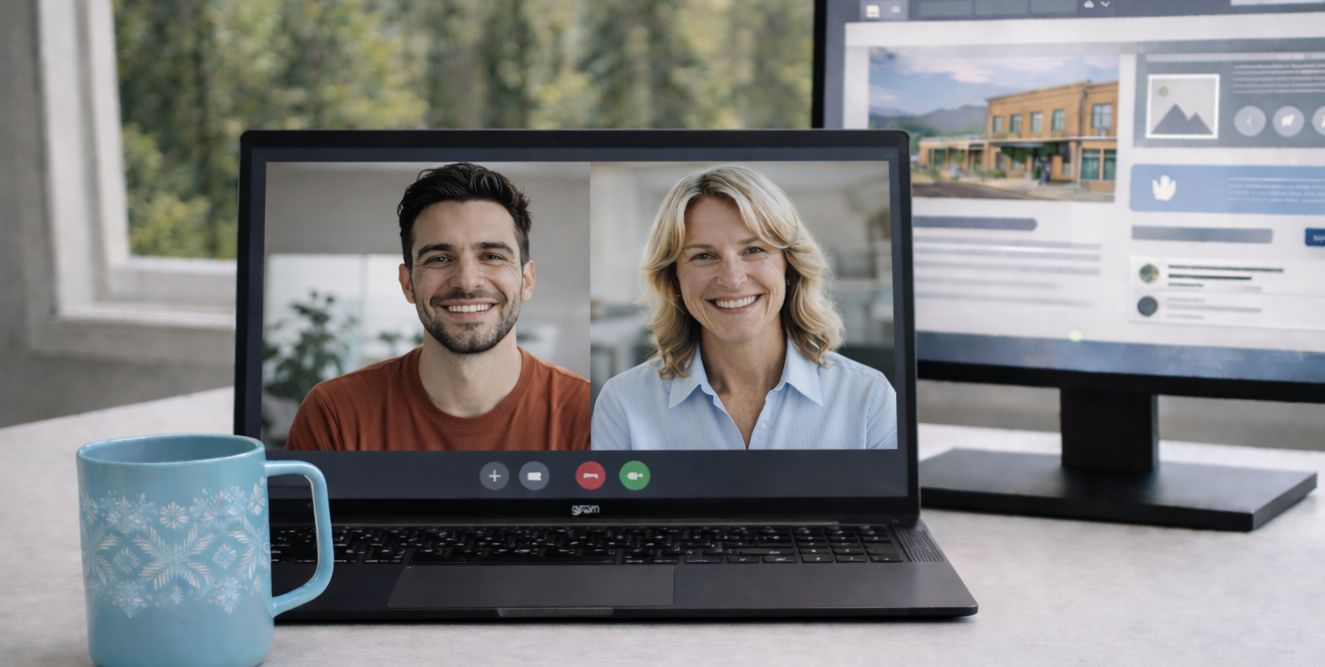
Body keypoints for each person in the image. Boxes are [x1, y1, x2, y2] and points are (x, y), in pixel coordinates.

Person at [286, 163, 590, 451]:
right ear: (408, 284)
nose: (467, 282)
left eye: (492, 256)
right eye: (439, 259)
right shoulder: (334, 414)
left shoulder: (590, 412)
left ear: (526, 280)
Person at [593, 165, 896, 450]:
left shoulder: (868, 397)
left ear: (789, 266)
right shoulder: (623, 403)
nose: (732, 279)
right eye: (703, 256)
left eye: (754, 250)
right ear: (674, 278)